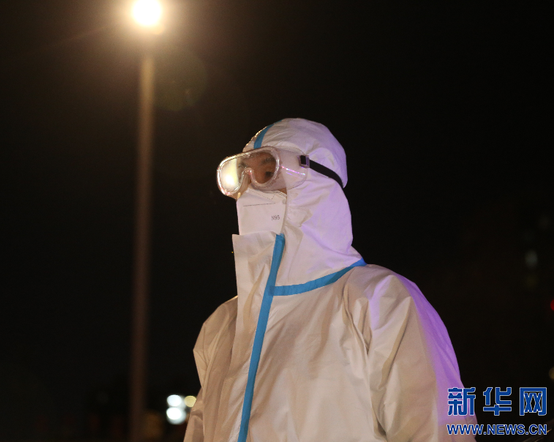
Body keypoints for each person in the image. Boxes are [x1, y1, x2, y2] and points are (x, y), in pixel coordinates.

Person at [183, 118, 476, 442]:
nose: (250, 189)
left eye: (267, 172)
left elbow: (440, 429)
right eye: (243, 176)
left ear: (317, 184)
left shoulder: (380, 300)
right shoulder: (223, 325)